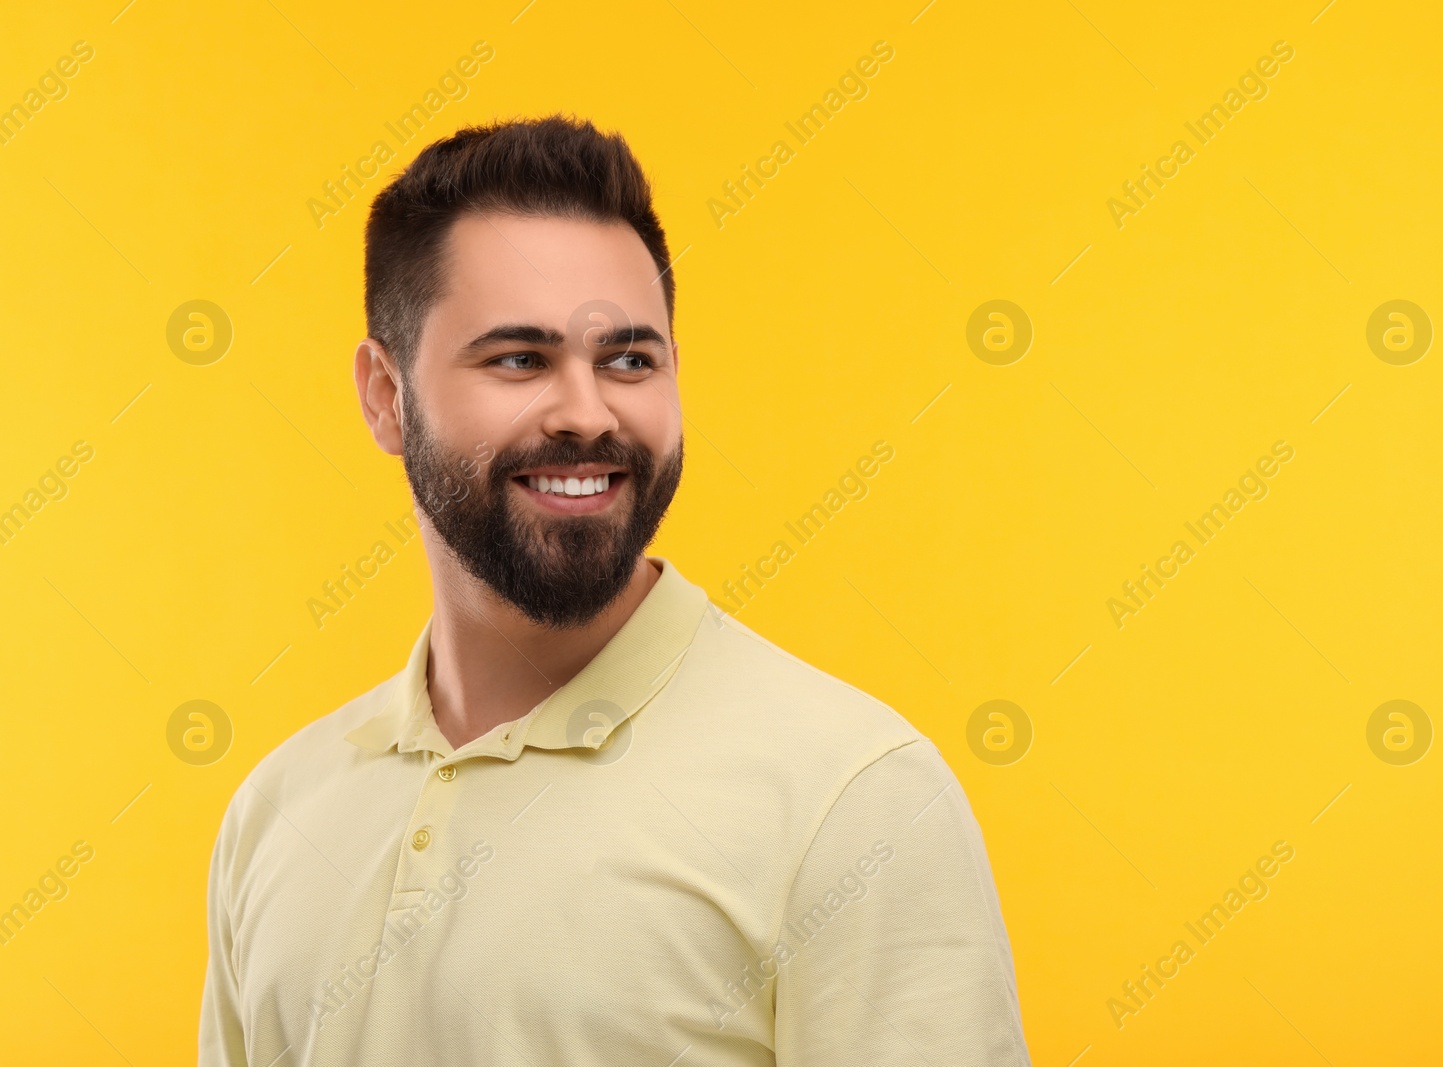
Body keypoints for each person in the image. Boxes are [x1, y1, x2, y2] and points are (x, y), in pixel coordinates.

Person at [199, 113, 1030, 1066]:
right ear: (386, 396)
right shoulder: (277, 811)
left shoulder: (858, 799)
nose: (587, 414)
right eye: (520, 358)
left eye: (629, 360)